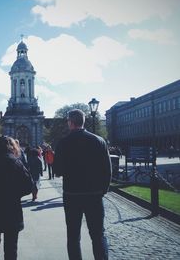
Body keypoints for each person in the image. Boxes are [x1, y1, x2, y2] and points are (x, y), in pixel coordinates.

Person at [53, 109, 112, 260]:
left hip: (72, 195)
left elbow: (58, 171)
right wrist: (102, 191)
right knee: (98, 235)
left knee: (73, 236)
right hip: (94, 195)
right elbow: (107, 170)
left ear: (70, 122)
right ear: (83, 121)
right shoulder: (99, 140)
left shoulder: (63, 143)